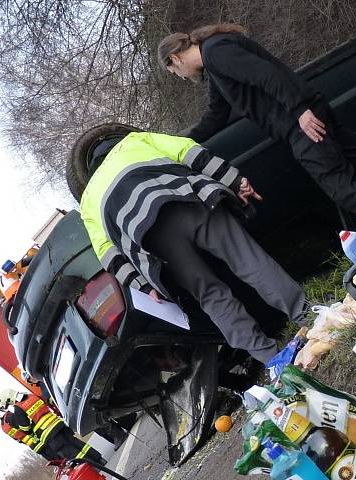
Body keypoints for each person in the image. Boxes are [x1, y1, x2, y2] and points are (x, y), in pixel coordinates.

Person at [67, 124, 307, 365]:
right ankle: (305, 314)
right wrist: (233, 180)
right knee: (249, 261)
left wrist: (142, 285)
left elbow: (107, 254)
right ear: (114, 140)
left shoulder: (88, 201)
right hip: (188, 201)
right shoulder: (135, 141)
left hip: (156, 239)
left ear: (90, 168)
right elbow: (188, 151)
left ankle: (272, 358)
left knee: (211, 296)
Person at [157, 25, 356, 217]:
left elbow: (265, 75)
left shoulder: (217, 52)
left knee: (340, 187)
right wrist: (180, 142)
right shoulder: (214, 63)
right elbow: (216, 114)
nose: (180, 76)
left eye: (173, 71)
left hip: (301, 122)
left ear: (175, 59)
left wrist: (300, 110)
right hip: (307, 112)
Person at [0, 389, 105, 464]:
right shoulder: (31, 396)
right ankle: (98, 458)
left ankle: (93, 466)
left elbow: (25, 427)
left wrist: (30, 432)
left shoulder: (16, 410)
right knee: (76, 443)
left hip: (48, 435)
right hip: (58, 425)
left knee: (69, 452)